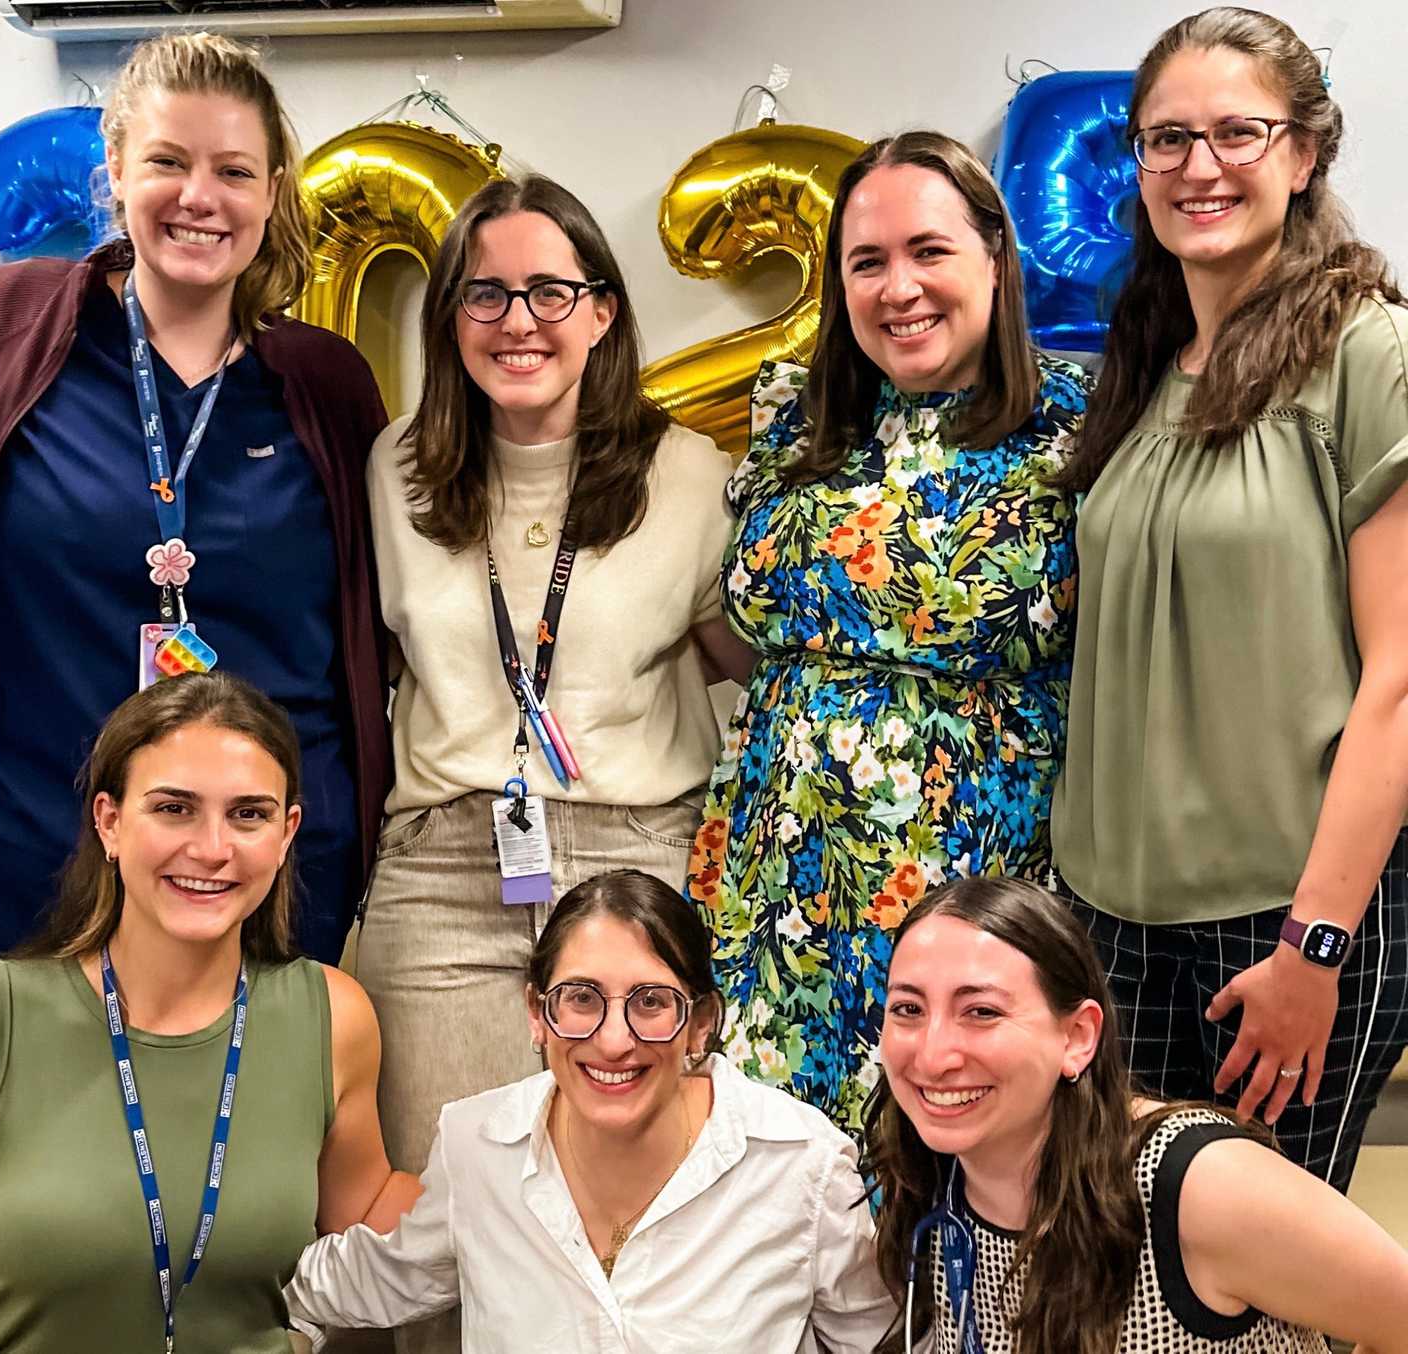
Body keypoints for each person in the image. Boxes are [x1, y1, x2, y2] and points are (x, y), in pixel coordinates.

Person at [0, 31, 390, 966]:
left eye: (234, 170)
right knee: (44, 1113)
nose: (200, 197)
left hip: (269, 868)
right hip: (36, 853)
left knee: (253, 1115)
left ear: (272, 192)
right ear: (115, 169)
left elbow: (385, 619)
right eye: (168, 161)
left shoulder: (327, 387)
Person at [1051, 6, 1408, 1192]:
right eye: (1167, 139)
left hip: (1287, 925)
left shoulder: (1370, 354)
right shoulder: (1148, 362)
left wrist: (1315, 946)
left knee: (1248, 1299)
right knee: (1120, 1282)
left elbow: (1400, 682)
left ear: (1304, 155)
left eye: (1238, 133)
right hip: (1111, 929)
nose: (1200, 166)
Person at [356, 177, 745, 1219]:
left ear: (603, 311)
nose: (517, 321)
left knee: (630, 1215)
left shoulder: (690, 472)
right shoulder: (393, 466)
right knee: (444, 1215)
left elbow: (742, 658)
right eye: (484, 294)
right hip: (441, 876)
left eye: (548, 291)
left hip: (638, 855)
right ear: (449, 317)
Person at [689, 131, 1091, 1130]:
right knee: (766, 1205)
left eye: (928, 250)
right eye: (865, 261)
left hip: (960, 894)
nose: (896, 286)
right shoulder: (794, 418)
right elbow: (741, 631)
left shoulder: (1079, 427)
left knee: (944, 1196)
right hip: (772, 886)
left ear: (995, 254)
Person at [0, 670, 417, 1351]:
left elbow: (371, 1219)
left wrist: (531, 1144)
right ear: (109, 822)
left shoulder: (331, 1017)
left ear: (288, 832)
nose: (211, 848)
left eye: (248, 814)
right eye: (174, 809)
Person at [289, 869, 894, 1353]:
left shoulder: (802, 1165)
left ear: (700, 1025)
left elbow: (883, 1341)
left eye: (651, 1002)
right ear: (536, 1012)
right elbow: (370, 1278)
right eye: (580, 998)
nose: (613, 1041)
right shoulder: (476, 1147)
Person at [868, 873, 1408, 1353]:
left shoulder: (1198, 1184)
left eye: (981, 1012)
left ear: (1078, 1037)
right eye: (908, 1009)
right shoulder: (930, 1170)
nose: (934, 1057)